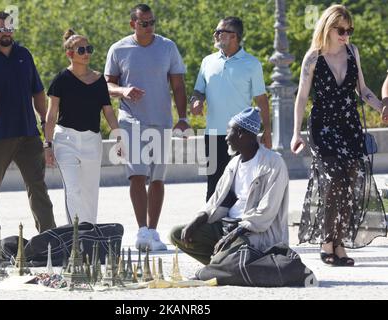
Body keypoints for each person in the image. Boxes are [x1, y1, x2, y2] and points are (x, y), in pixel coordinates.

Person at [290, 5, 387, 266]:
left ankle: (340, 243)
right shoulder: (313, 58)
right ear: (328, 28)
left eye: (349, 30)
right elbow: (301, 97)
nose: (346, 35)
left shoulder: (352, 52)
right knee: (333, 180)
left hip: (350, 127)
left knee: (351, 183)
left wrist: (381, 107)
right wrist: (295, 133)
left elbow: (363, 90)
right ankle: (326, 241)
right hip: (323, 129)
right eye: (341, 30)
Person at [105, 4, 189, 251]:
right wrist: (124, 91)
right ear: (133, 24)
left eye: (152, 22)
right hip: (131, 120)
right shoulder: (119, 49)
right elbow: (107, 86)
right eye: (144, 23)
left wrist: (182, 118)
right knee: (137, 174)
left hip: (161, 120)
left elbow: (179, 85)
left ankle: (153, 232)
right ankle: (141, 230)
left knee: (157, 179)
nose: (149, 27)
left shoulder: (167, 47)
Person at [0, 11, 56, 236]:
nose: (7, 33)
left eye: (10, 29)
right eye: (1, 29)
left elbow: (37, 91)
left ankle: (49, 238)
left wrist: (44, 121)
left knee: (38, 188)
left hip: (28, 133)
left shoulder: (24, 54)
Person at [170, 107, 289, 265]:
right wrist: (196, 221)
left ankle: (223, 263)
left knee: (228, 253)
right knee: (177, 234)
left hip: (255, 233)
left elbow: (266, 212)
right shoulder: (234, 163)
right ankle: (223, 264)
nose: (226, 138)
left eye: (229, 132)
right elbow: (216, 200)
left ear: (241, 133)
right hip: (227, 225)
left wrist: (233, 235)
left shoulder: (273, 164)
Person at [190, 16, 272, 201]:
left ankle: (237, 227)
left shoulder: (252, 64)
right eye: (216, 31)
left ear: (234, 36)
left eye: (220, 32)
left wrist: (267, 131)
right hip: (212, 134)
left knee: (240, 187)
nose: (215, 35)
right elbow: (198, 91)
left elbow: (262, 100)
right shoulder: (207, 61)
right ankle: (211, 228)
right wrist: (196, 101)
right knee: (213, 186)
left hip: (242, 136)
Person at [45, 29, 122, 225]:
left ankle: (90, 233)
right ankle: (76, 235)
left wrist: (119, 136)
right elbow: (51, 114)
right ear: (70, 54)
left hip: (91, 140)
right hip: (66, 140)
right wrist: (48, 143)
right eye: (81, 50)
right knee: (72, 188)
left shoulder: (99, 81)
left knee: (89, 191)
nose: (87, 53)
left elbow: (108, 111)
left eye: (89, 49)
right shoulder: (61, 79)